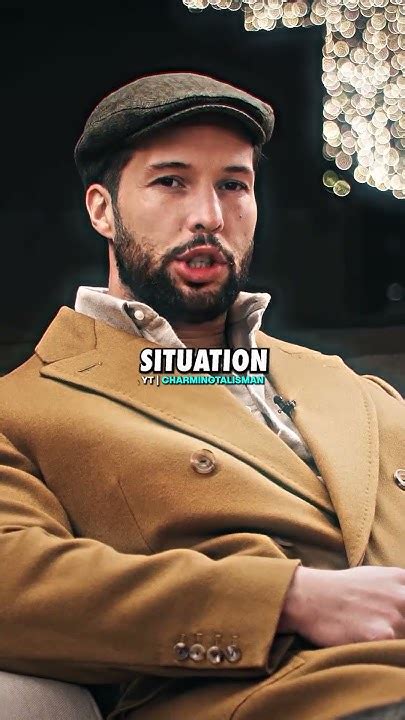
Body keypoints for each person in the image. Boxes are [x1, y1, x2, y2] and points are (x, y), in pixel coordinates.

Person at [0, 71, 405, 720]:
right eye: (171, 182)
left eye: (233, 185)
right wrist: (285, 599)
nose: (209, 217)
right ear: (102, 210)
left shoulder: (349, 386)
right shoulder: (23, 407)